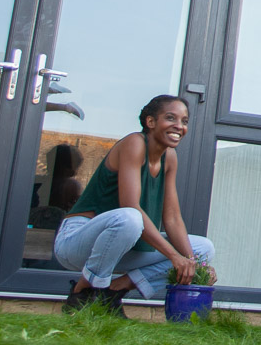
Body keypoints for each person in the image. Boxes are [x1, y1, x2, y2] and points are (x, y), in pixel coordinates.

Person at [51, 94, 216, 316]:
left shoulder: (170, 157)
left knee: (203, 248)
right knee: (130, 217)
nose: (179, 126)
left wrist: (193, 263)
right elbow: (130, 205)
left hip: (123, 245)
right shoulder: (135, 143)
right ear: (151, 122)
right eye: (170, 118)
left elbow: (173, 218)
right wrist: (175, 257)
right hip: (78, 242)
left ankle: (113, 290)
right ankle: (84, 292)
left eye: (184, 121)